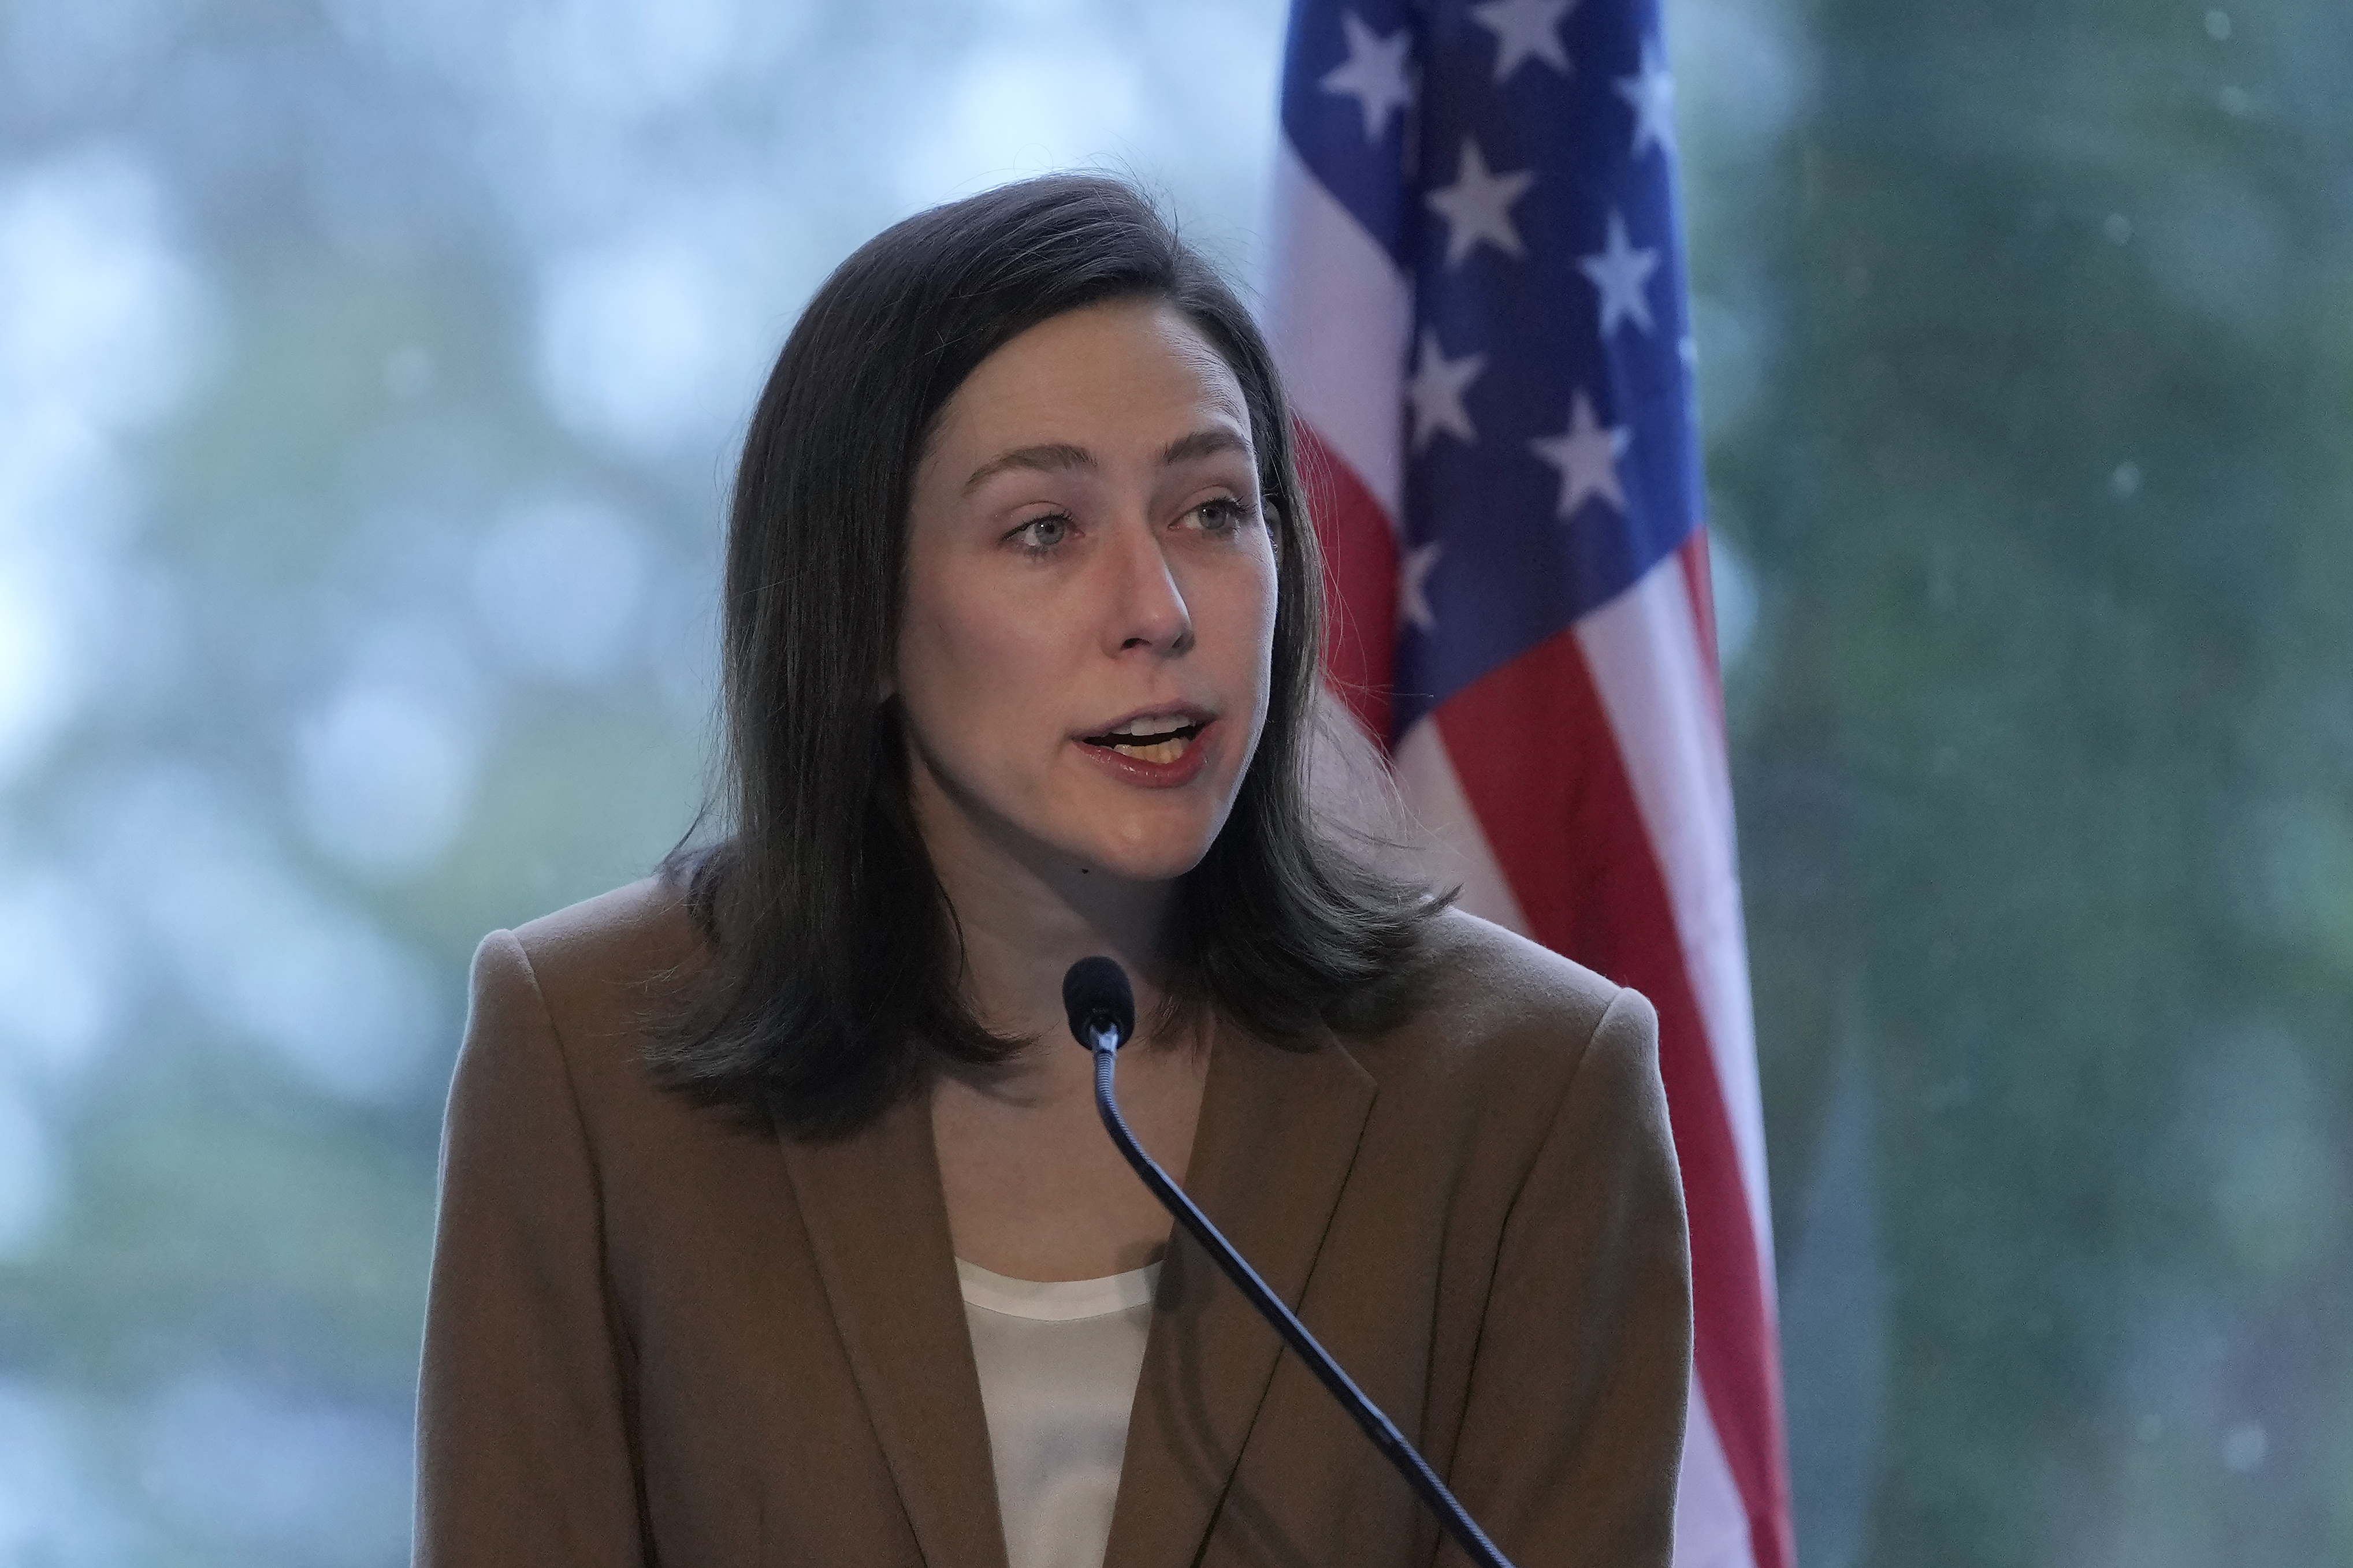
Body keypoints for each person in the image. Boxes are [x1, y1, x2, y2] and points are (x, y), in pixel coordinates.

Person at [412, 174, 1690, 1568]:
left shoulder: (1534, 1086)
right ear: (855, 623)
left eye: (1213, 510)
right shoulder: (588, 1051)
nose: (1161, 610)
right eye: (1045, 531)